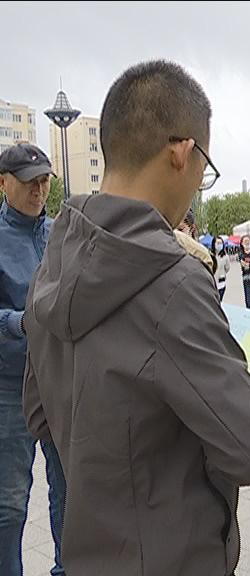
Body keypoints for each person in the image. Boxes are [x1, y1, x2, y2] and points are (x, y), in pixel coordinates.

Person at [22, 60, 250, 576]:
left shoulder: (52, 262)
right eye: (204, 170)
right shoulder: (173, 283)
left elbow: (39, 414)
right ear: (182, 152)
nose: (198, 185)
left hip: (86, 551)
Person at [0, 143, 66, 576]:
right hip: (10, 386)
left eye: (44, 181)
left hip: (61, 382)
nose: (39, 191)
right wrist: (17, 322)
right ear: (3, 182)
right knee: (8, 502)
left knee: (70, 492)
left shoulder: (61, 233)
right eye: (29, 182)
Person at [211, 235, 231, 300]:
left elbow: (227, 268)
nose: (220, 245)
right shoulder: (210, 255)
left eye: (221, 243)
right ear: (214, 244)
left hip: (221, 283)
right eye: (218, 243)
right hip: (212, 283)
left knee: (219, 301)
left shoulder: (225, 257)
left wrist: (222, 273)